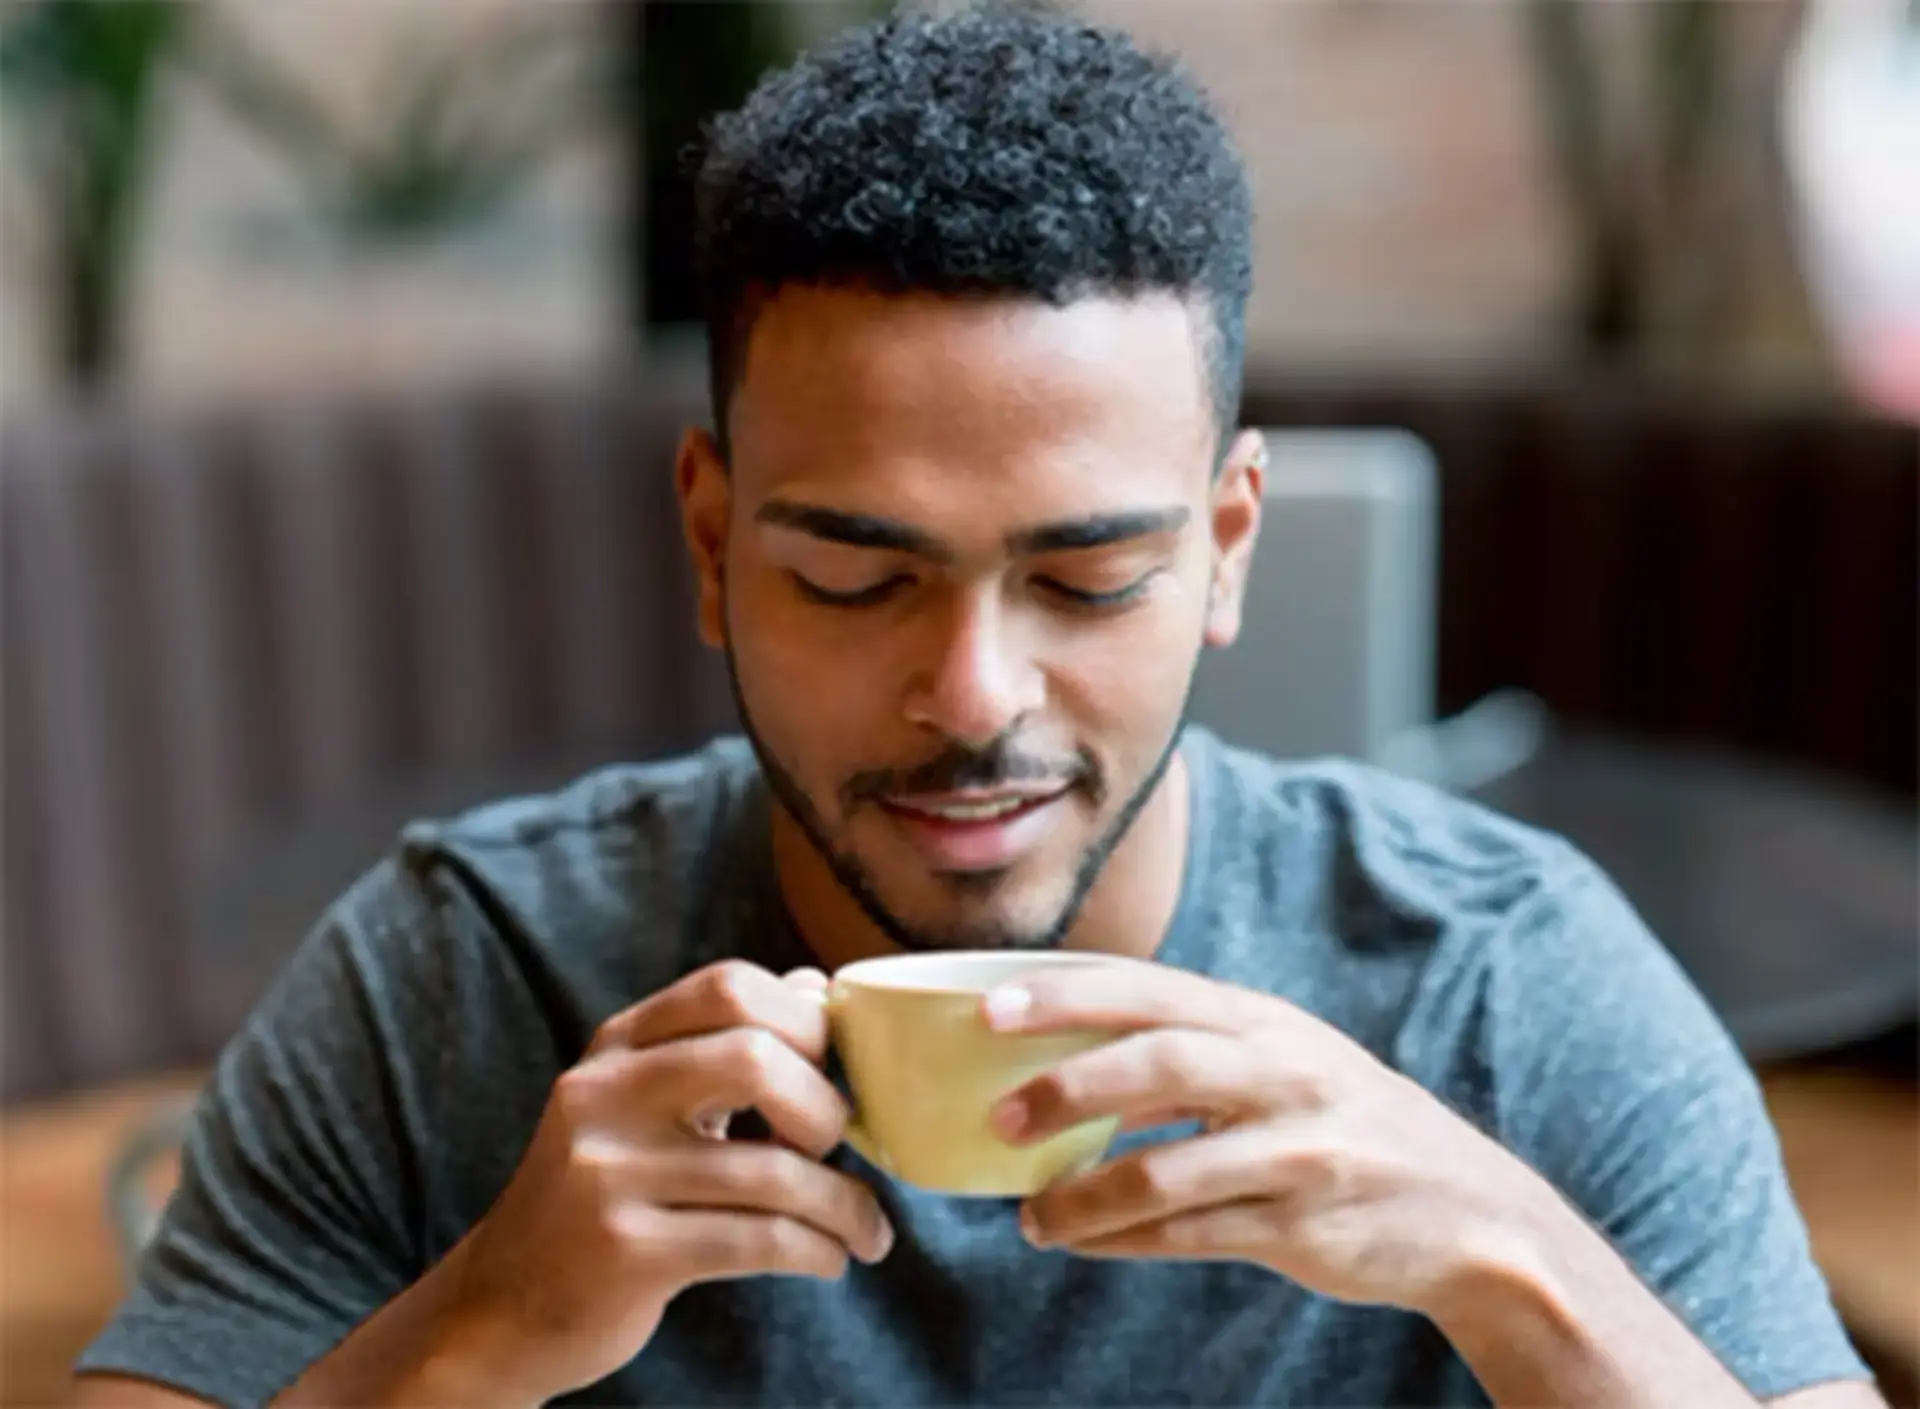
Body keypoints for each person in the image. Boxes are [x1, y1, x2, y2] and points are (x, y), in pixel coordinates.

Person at [77, 5, 1883, 1407]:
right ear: (709, 542)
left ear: (1230, 544)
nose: (972, 694)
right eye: (855, 578)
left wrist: (1508, 1262)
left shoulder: (1500, 985)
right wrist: (480, 1330)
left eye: (1089, 581)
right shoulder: (464, 975)